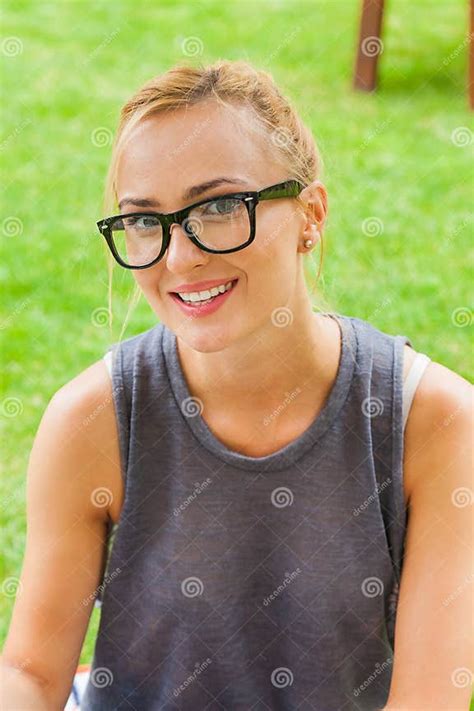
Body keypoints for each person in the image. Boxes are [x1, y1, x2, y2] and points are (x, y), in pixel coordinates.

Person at [1, 60, 472, 711]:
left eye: (219, 206)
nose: (178, 257)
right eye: (144, 219)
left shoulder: (436, 423)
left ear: (311, 214)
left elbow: (428, 700)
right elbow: (30, 672)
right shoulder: (93, 418)